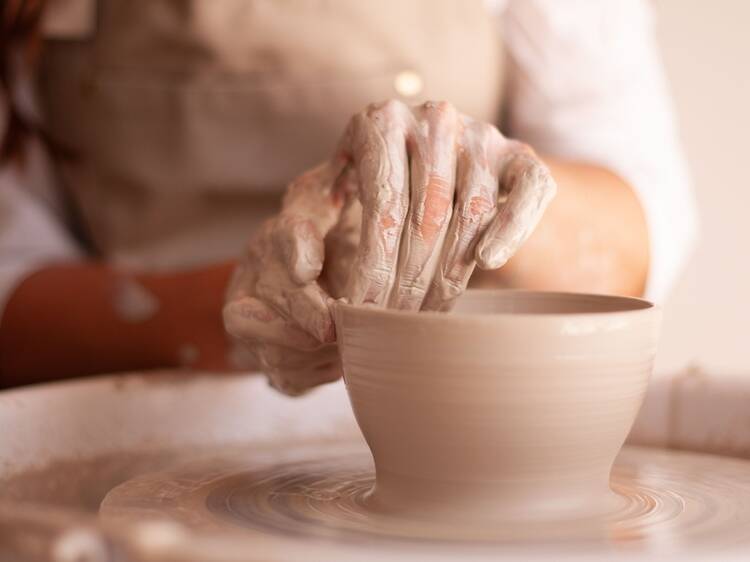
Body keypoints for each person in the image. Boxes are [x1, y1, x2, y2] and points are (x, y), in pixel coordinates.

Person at [0, 0, 696, 391]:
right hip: (133, 437)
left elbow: (641, 233)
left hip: (450, 424)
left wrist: (487, 203)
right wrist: (237, 311)